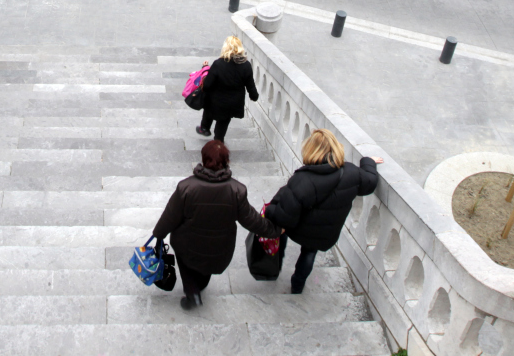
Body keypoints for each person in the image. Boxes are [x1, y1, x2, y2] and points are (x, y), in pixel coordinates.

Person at [153, 139, 281, 309]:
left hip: (187, 244)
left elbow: (170, 216)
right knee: (207, 263)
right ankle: (200, 286)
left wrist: (158, 234)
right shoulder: (237, 190)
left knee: (185, 258)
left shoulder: (186, 187)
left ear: (204, 159)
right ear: (226, 162)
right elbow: (252, 221)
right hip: (219, 248)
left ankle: (192, 293)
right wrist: (275, 230)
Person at [265, 129, 381, 294]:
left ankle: (275, 265)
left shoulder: (303, 179)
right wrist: (368, 162)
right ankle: (297, 286)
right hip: (324, 232)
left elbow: (284, 217)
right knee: (309, 253)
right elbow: (370, 182)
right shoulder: (352, 173)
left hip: (299, 228)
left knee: (279, 230)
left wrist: (270, 211)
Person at [197, 35, 258, 141]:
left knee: (209, 108)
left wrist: (205, 69)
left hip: (216, 100)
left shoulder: (218, 64)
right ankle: (218, 140)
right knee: (224, 121)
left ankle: (204, 128)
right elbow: (250, 85)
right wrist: (254, 96)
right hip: (233, 103)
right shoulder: (246, 65)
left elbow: (207, 85)